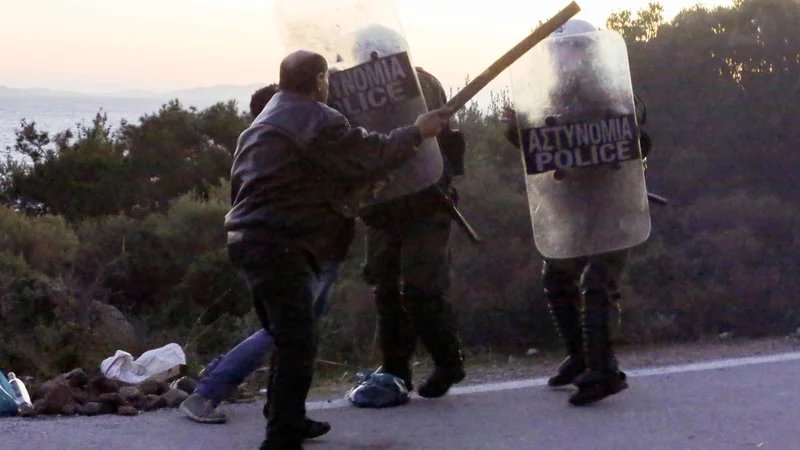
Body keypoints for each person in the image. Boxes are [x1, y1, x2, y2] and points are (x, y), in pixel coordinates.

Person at [224, 49, 450, 450]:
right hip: (281, 243)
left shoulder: (261, 124)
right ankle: (281, 437)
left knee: (289, 336)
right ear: (320, 81)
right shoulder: (317, 119)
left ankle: (289, 418)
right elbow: (371, 155)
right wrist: (418, 131)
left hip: (247, 242)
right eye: (326, 81)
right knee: (297, 340)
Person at [179, 83, 349, 429]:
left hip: (281, 247)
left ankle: (270, 406)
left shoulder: (257, 149)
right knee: (287, 330)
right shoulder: (294, 147)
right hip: (307, 248)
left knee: (288, 329)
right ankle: (210, 392)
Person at [502, 19, 652, 406]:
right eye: (559, 52)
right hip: (575, 207)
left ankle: (605, 371)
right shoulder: (548, 95)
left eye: (571, 51)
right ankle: (582, 357)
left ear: (587, 53)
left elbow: (638, 142)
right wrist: (515, 126)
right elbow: (536, 149)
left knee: (597, 281)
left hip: (615, 206)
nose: (564, 59)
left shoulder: (614, 93)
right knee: (556, 276)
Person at [351, 49, 468, 397]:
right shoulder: (351, 91)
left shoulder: (422, 83)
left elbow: (445, 137)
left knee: (422, 289)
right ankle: (395, 368)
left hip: (425, 202)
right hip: (382, 205)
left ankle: (449, 363)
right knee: (385, 289)